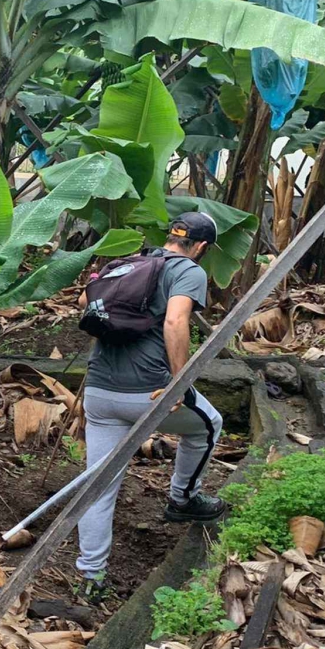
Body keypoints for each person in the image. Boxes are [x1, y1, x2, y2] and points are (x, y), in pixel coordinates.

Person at [74, 211, 228, 592]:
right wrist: (180, 382)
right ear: (202, 247)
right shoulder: (188, 271)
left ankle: (91, 577)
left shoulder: (127, 263)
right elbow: (175, 322)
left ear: (171, 236)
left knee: (98, 487)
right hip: (148, 393)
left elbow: (84, 299)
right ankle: (183, 498)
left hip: (99, 392)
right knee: (209, 425)